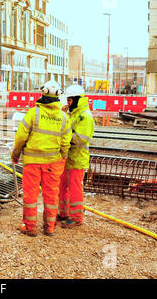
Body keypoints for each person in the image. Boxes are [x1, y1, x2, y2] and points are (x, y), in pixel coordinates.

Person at [11, 80, 71, 237]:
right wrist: (62, 158)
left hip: (32, 162)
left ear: (42, 94)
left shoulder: (33, 113)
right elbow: (66, 143)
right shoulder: (64, 118)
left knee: (30, 195)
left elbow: (20, 137)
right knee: (51, 195)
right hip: (53, 163)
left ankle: (30, 227)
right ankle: (50, 227)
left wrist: (16, 154)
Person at [58, 84, 95, 228]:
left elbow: (81, 138)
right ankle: (63, 212)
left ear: (76, 100)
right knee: (62, 187)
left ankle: (76, 217)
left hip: (77, 158)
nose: (68, 103)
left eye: (70, 100)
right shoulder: (73, 114)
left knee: (74, 189)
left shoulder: (85, 116)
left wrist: (64, 137)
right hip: (67, 158)